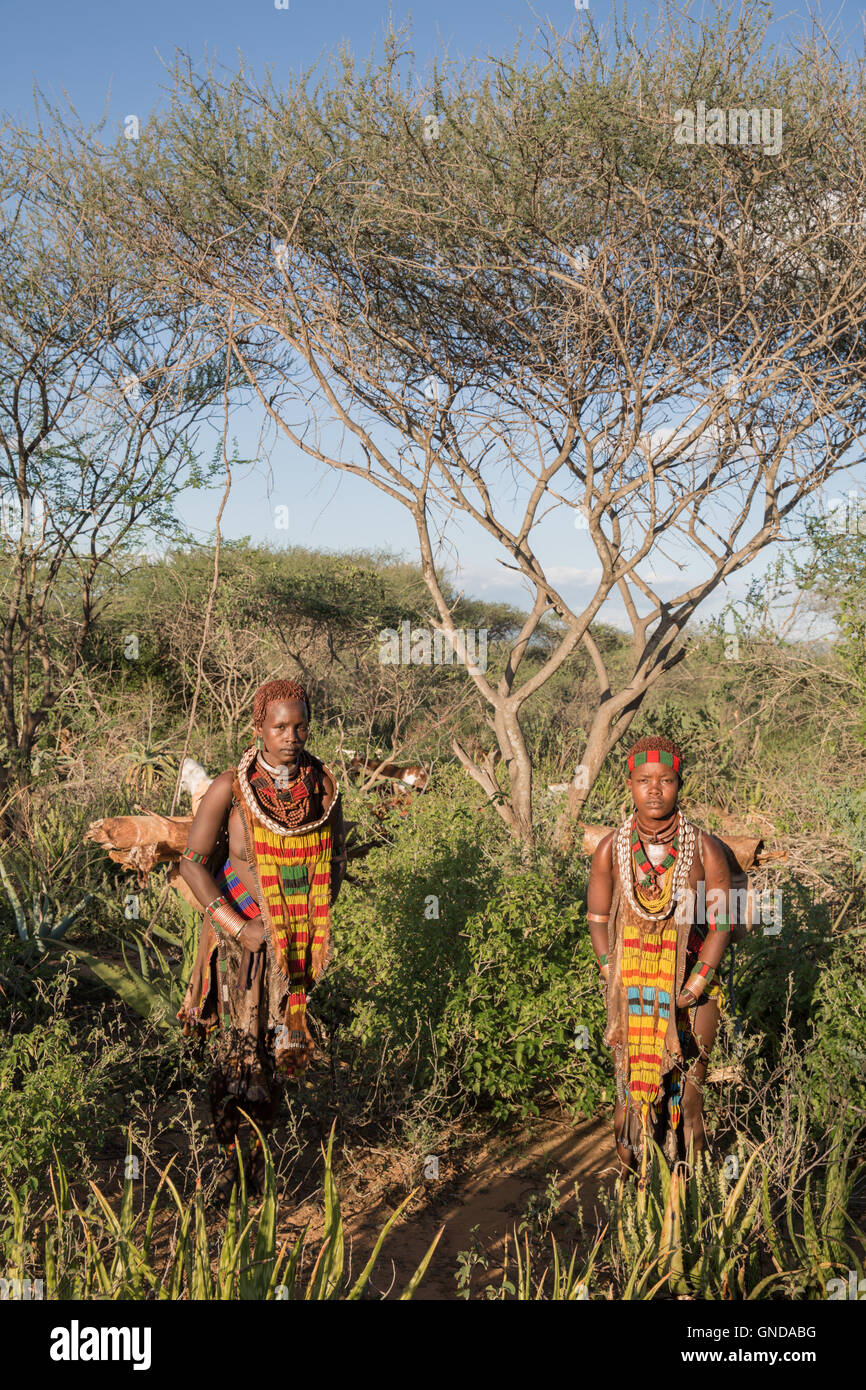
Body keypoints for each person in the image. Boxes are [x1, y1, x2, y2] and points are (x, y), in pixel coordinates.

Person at [177, 678, 347, 1200]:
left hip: (292, 949)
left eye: (299, 726)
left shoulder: (322, 787)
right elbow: (193, 864)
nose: (291, 736)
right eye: (280, 726)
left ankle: (258, 1161)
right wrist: (239, 926)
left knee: (277, 1053)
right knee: (238, 1052)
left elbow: (334, 860)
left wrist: (310, 921)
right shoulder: (231, 787)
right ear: (259, 727)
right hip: (239, 944)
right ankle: (229, 1166)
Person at [586, 736, 732, 1179]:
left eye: (665, 780)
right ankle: (631, 1197)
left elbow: (721, 924)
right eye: (644, 781)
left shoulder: (704, 849)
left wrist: (695, 985)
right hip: (632, 992)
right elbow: (596, 916)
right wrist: (611, 970)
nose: (654, 790)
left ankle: (685, 1200)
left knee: (688, 1099)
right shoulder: (613, 847)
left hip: (691, 991)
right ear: (628, 784)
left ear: (679, 784)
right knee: (630, 1102)